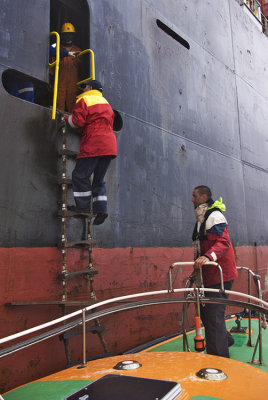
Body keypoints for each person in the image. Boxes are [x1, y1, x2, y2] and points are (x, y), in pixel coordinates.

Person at [191, 185, 238, 358]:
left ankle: (219, 358)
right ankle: (225, 339)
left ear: (203, 197)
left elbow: (223, 243)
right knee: (207, 313)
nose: (192, 199)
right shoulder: (202, 217)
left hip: (220, 275)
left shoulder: (215, 216)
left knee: (213, 315)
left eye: (194, 196)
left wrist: (208, 257)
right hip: (208, 275)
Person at [64, 80, 117, 225]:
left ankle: (83, 207)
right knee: (98, 180)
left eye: (85, 86)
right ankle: (101, 210)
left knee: (80, 176)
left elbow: (77, 122)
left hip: (94, 143)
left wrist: (66, 118)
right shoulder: (106, 104)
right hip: (110, 145)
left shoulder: (84, 99)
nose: (83, 89)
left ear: (90, 88)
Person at [51, 22, 81, 112]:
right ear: (62, 36)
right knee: (58, 105)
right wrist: (50, 79)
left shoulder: (78, 50)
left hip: (73, 83)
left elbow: (82, 68)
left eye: (70, 34)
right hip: (59, 82)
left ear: (73, 36)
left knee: (73, 105)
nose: (68, 37)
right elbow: (51, 68)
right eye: (66, 34)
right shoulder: (56, 50)